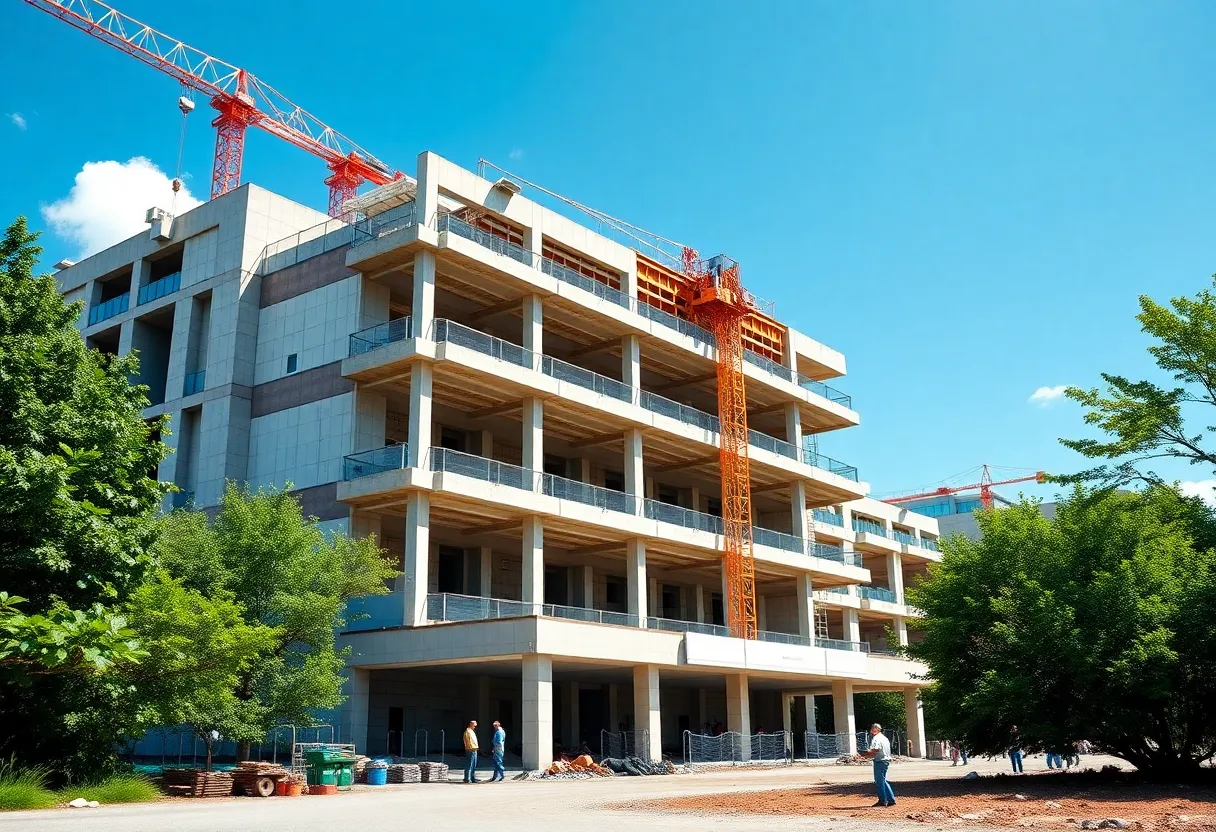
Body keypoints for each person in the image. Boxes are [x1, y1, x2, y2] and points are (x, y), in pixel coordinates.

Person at [862, 723, 896, 807]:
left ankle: (882, 800)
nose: (871, 730)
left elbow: (876, 750)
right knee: (883, 780)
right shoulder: (884, 738)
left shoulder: (876, 738)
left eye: (872, 728)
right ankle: (891, 799)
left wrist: (865, 754)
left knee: (879, 781)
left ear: (876, 730)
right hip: (885, 760)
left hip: (880, 761)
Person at [463, 720, 480, 784]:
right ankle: (467, 778)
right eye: (474, 725)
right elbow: (467, 741)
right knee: (469, 764)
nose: (475, 727)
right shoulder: (467, 732)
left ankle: (472, 778)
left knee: (473, 765)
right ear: (471, 724)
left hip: (474, 749)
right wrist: (470, 748)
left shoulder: (472, 731)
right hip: (470, 749)